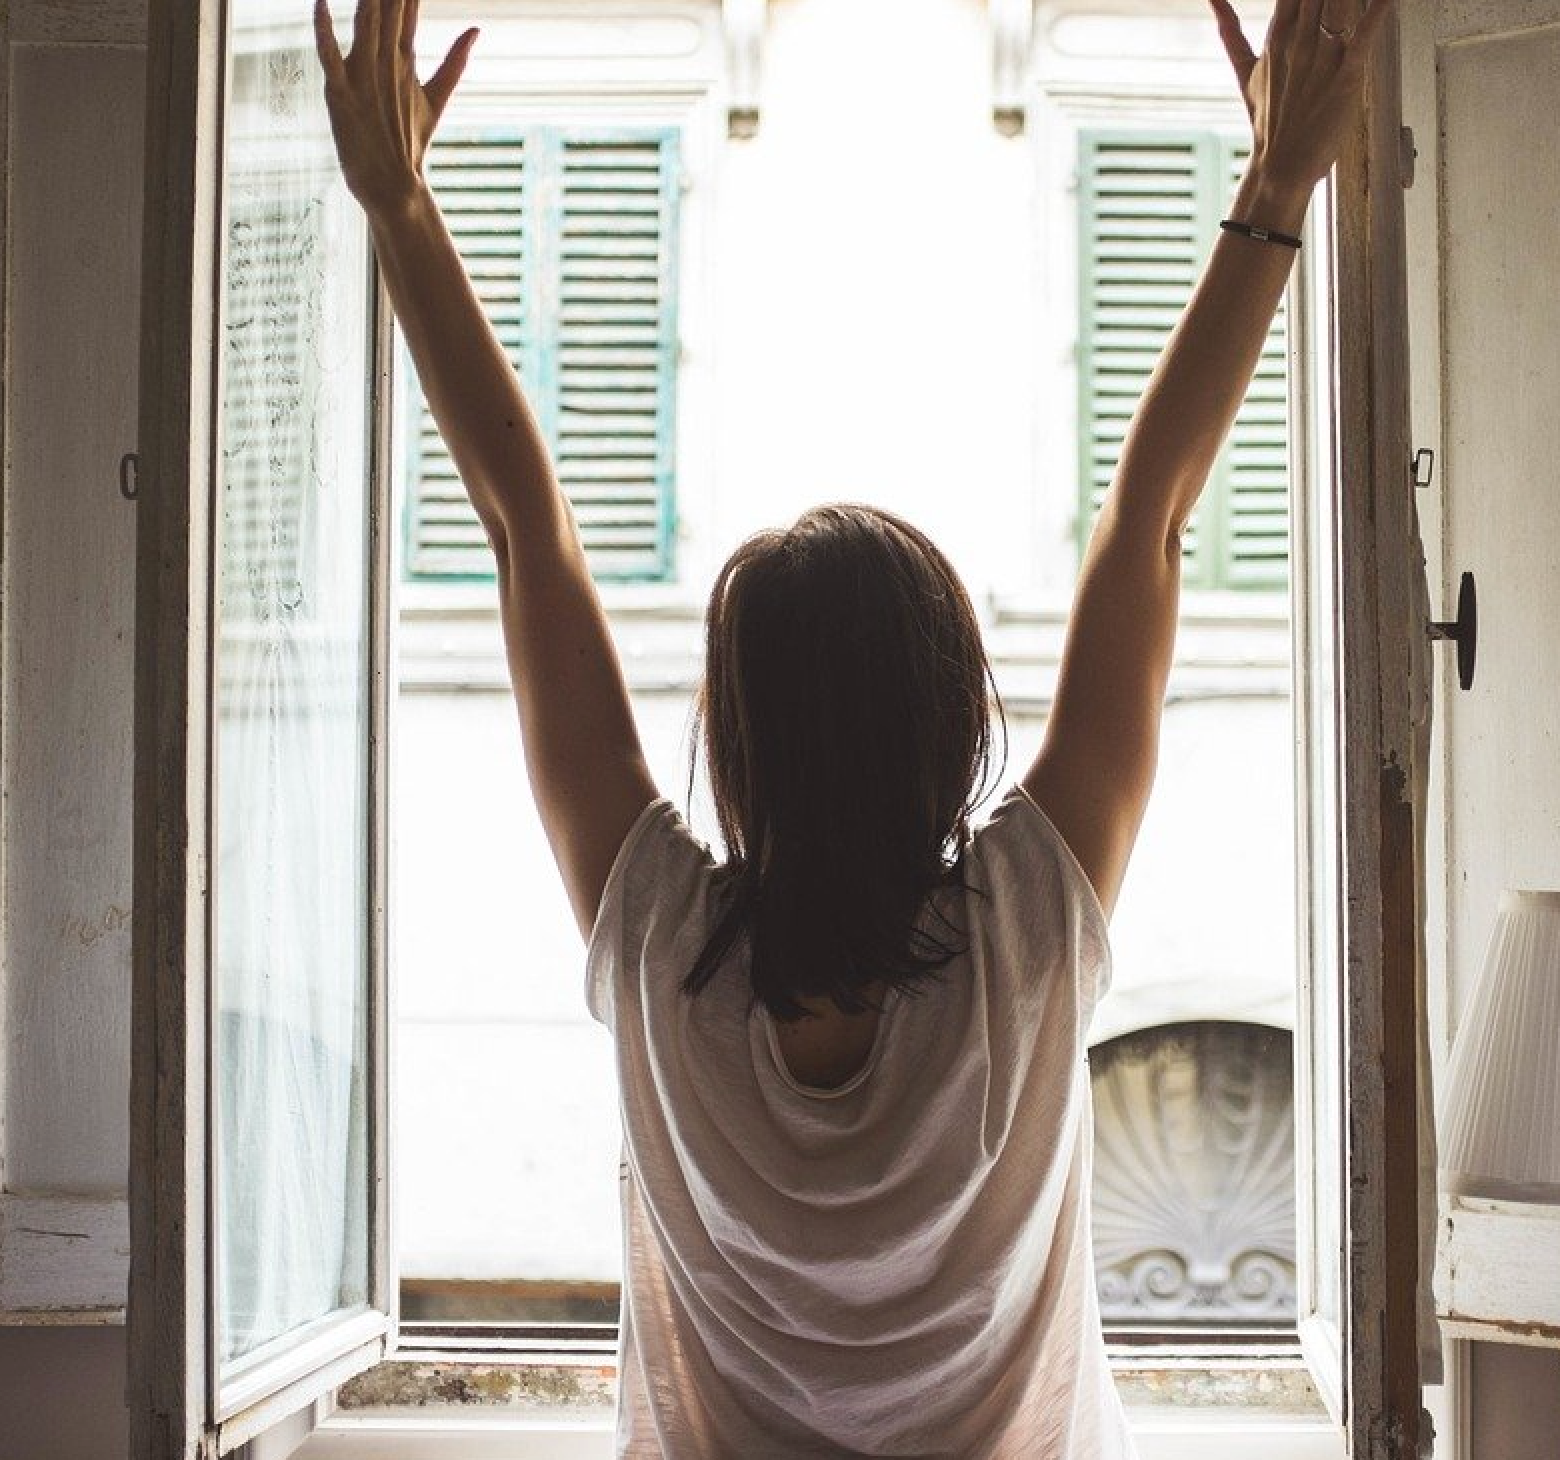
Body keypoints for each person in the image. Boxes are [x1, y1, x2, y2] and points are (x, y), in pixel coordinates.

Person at [314, 0, 1395, 1452]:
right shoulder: (1027, 936)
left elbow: (527, 539)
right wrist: (1274, 195)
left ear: (736, 741)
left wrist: (398, 204)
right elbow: (1148, 518)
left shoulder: (653, 951)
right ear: (956, 731)